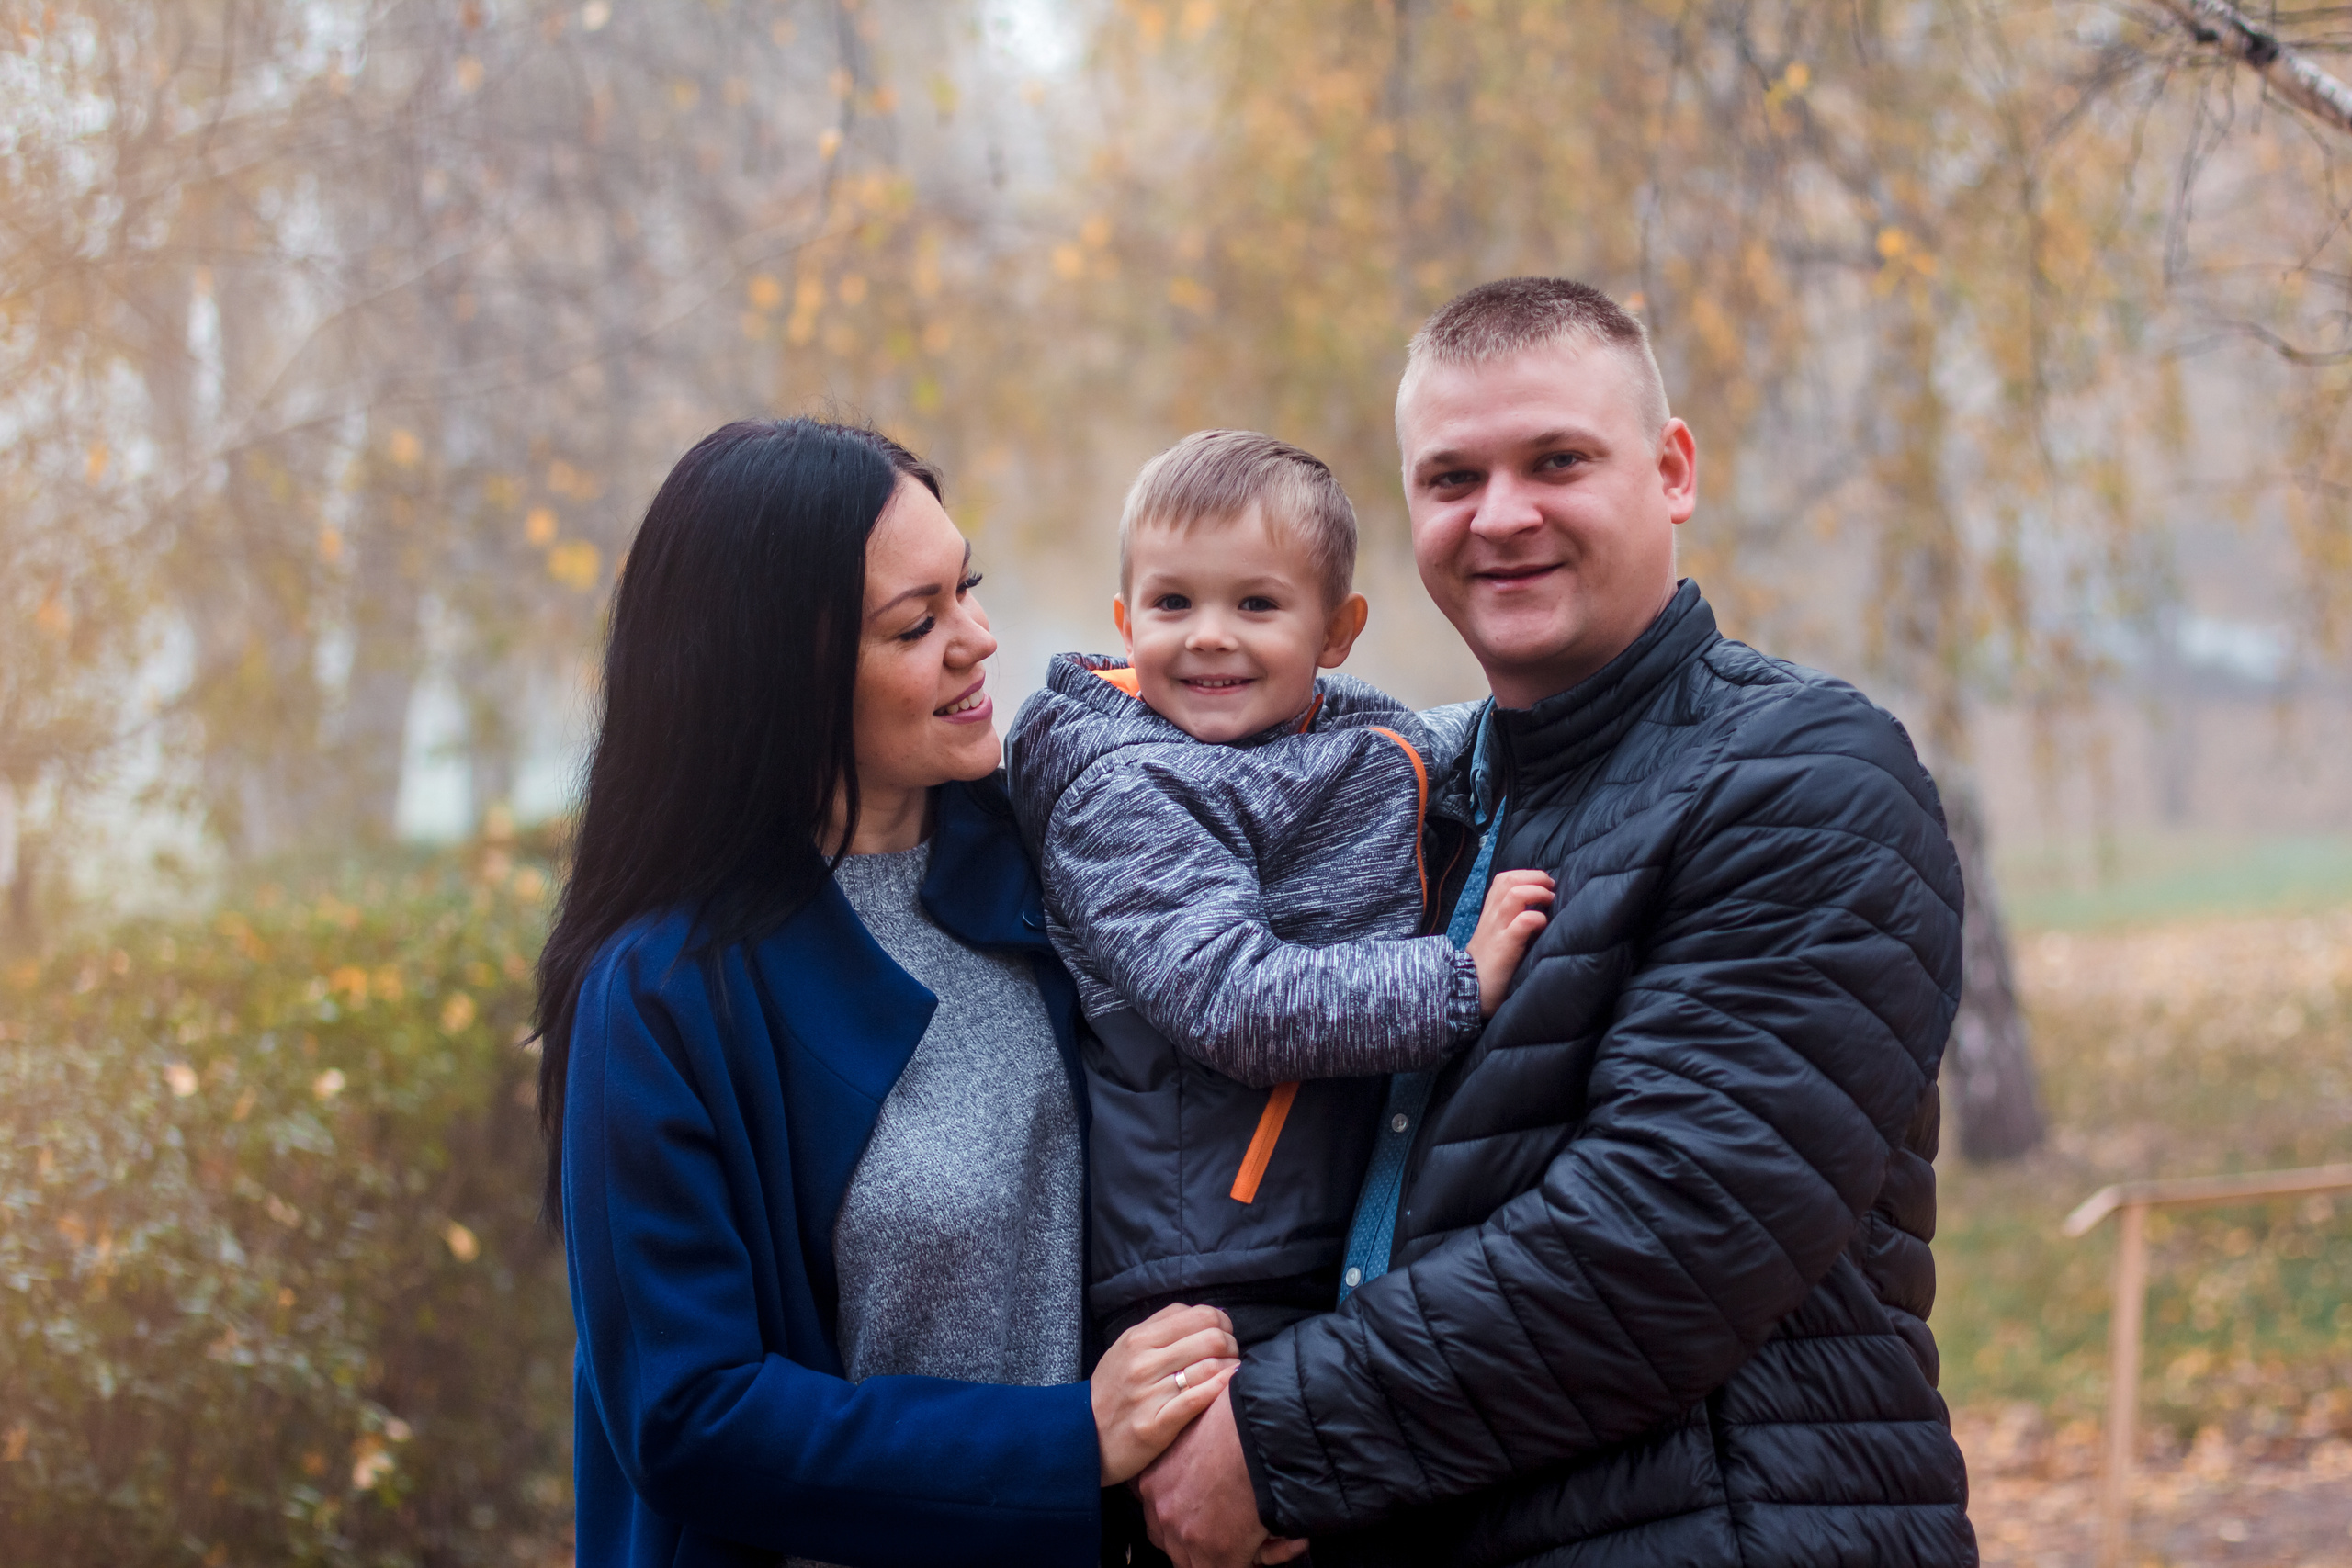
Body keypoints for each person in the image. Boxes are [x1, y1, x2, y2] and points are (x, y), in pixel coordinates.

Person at [1136, 279, 1975, 1567]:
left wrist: (1274, 1438)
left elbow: (1668, 1235)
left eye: (1558, 461)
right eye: (1453, 477)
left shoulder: (1804, 777)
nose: (1503, 515)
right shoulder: (1418, 791)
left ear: (1673, 468)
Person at [533, 418, 1243, 1568]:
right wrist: (1068, 1442)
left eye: (966, 590)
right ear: (775, 676)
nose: (978, 640)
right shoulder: (663, 995)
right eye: (915, 624)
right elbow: (688, 1417)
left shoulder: (1055, 867)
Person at [1005, 430, 1555, 1359]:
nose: (1209, 633)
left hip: (1315, 1228)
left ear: (1335, 632)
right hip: (1204, 1272)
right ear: (1125, 618)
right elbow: (1234, 1001)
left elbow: (1422, 749)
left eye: (1256, 603)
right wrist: (1456, 983)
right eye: (1172, 601)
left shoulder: (1315, 731)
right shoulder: (1124, 793)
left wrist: (1553, 716)